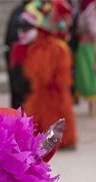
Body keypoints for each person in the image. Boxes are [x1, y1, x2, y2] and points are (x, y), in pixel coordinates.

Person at [19, 0, 78, 148]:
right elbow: (58, 25)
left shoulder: (54, 6)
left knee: (51, 99)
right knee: (48, 97)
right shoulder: (52, 6)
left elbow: (63, 25)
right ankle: (52, 138)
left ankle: (53, 138)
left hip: (51, 47)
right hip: (49, 48)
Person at [73, 0, 96, 116]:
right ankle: (95, 105)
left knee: (90, 74)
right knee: (94, 74)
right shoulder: (94, 7)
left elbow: (92, 27)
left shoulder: (91, 7)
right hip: (93, 44)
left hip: (89, 45)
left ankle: (94, 105)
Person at [4, 0, 30, 108]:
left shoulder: (37, 11)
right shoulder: (17, 11)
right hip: (15, 56)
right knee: (16, 90)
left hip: (29, 58)